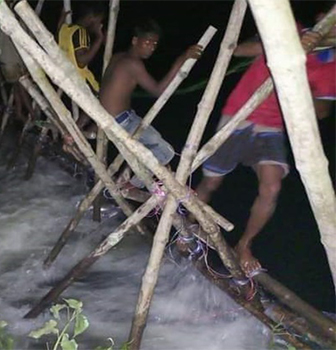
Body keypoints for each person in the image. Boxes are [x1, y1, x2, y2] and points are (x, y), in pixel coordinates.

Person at [195, 25, 335, 277]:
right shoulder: (291, 28)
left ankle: (244, 245)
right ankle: (191, 228)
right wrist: (290, 46)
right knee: (211, 182)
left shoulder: (332, 66)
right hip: (240, 114)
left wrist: (299, 71)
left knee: (272, 187)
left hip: (271, 125)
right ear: (323, 18)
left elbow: (321, 111)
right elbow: (237, 51)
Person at [93, 19, 202, 196]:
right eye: (147, 42)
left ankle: (156, 180)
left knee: (155, 148)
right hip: (121, 121)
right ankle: (131, 185)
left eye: (154, 44)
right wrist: (182, 59)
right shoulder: (133, 64)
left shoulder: (118, 57)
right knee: (164, 151)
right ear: (135, 40)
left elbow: (104, 91)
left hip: (118, 117)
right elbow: (158, 90)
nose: (151, 47)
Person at [57, 4, 106, 94]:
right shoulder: (80, 32)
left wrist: (62, 16)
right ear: (91, 17)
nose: (100, 24)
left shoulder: (64, 29)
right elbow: (81, 61)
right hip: (82, 85)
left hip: (67, 81)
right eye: (99, 20)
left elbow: (60, 26)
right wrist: (99, 38)